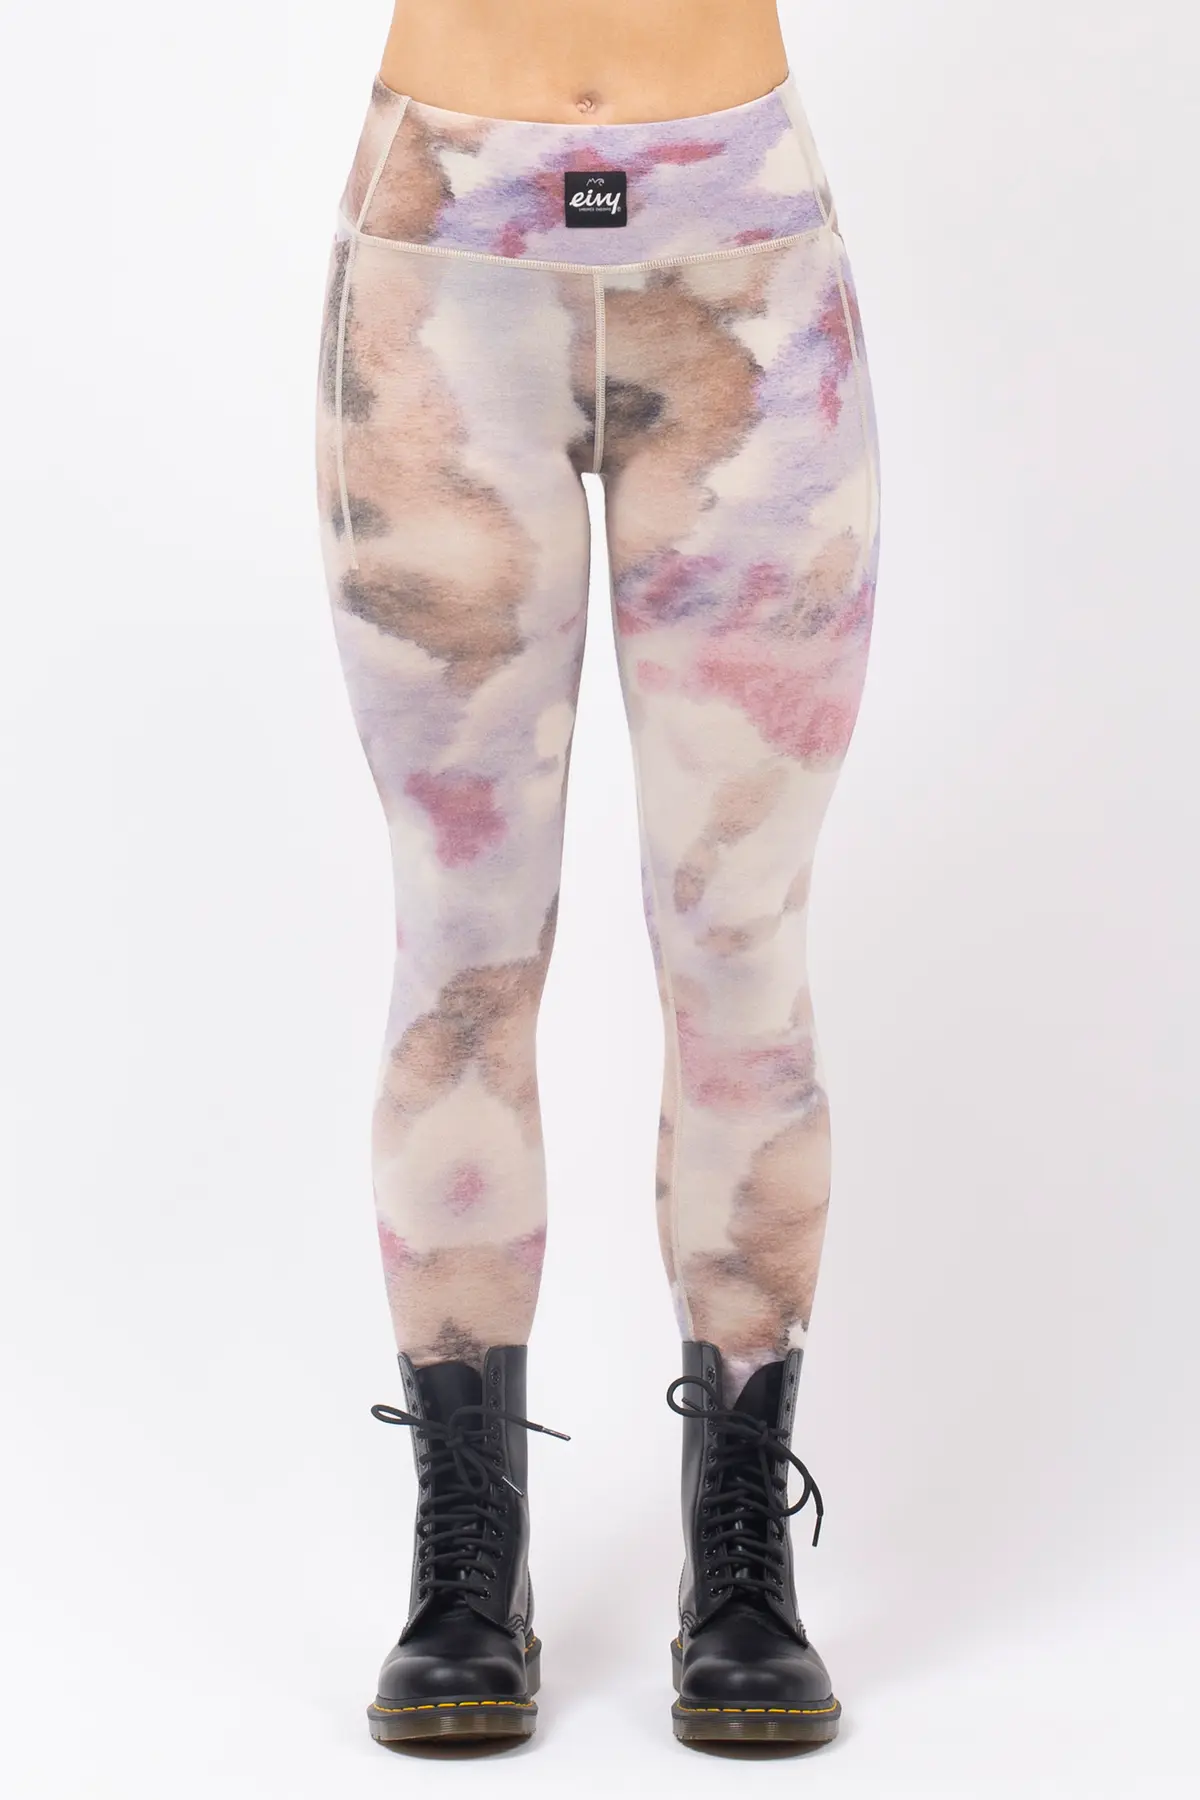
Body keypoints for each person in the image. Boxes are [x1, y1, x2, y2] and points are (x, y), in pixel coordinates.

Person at [315, 0, 880, 1749]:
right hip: (442, 245)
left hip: (744, 243)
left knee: (740, 944)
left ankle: (740, 1556)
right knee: (463, 945)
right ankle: (466, 1560)